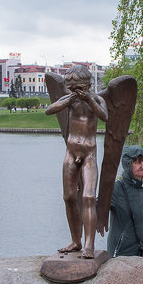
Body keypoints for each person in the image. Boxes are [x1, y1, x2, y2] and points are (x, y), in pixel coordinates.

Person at [45, 64, 108, 258]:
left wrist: (88, 99)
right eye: (73, 89)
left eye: (80, 88)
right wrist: (68, 99)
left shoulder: (96, 99)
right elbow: (49, 110)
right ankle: (76, 241)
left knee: (88, 197)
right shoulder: (69, 100)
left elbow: (104, 116)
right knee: (69, 197)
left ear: (88, 85)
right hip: (71, 152)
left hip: (89, 153)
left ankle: (89, 245)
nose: (77, 92)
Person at [106, 145, 143, 259]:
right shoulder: (117, 189)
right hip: (123, 254)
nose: (142, 166)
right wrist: (82, 193)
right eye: (137, 162)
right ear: (128, 164)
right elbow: (98, 206)